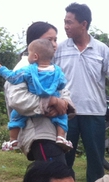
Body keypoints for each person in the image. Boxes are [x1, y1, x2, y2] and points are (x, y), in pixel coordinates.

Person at [55, 3, 109, 182]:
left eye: (69, 22)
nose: (66, 26)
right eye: (65, 22)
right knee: (64, 158)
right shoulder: (60, 49)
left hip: (94, 113)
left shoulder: (101, 49)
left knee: (95, 159)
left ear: (83, 24)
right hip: (67, 113)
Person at [4, 21, 75, 163]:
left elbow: (63, 90)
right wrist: (52, 102)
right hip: (38, 133)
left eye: (55, 39)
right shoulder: (24, 68)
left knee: (45, 176)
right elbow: (17, 99)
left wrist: (64, 104)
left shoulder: (50, 67)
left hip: (51, 132)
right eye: (49, 40)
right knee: (54, 173)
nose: (54, 44)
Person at [0, 38, 72, 152]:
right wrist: (57, 100)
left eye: (29, 53)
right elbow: (62, 85)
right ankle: (61, 137)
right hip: (52, 111)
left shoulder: (28, 70)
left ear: (35, 57)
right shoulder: (57, 71)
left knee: (16, 116)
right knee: (62, 118)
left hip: (32, 109)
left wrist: (1, 69)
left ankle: (13, 139)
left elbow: (13, 78)